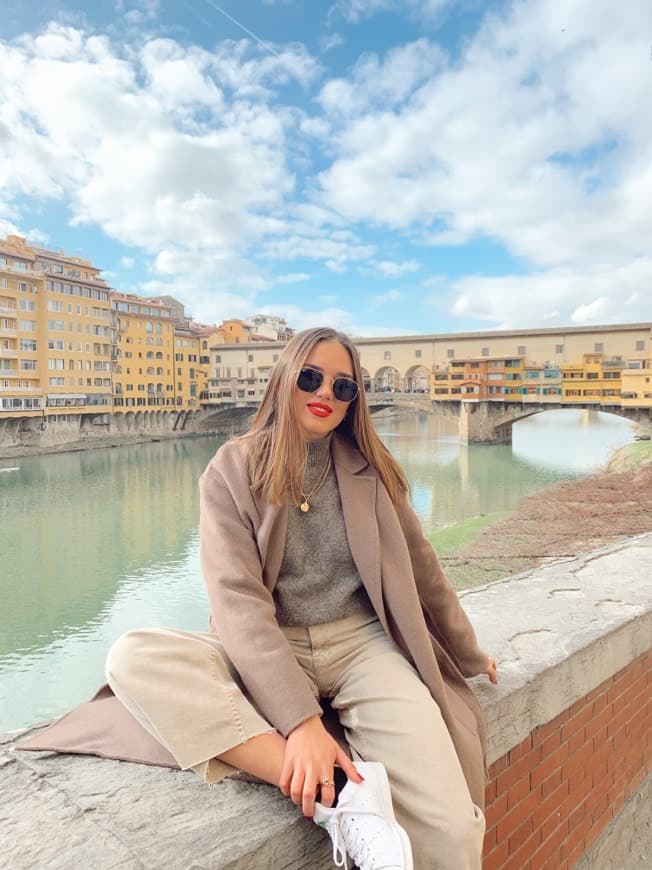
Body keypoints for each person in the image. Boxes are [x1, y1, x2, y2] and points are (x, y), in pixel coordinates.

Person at [101, 327, 498, 869]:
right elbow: (236, 600)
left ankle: (341, 788)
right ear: (285, 379)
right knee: (133, 657)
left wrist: (469, 653)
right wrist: (301, 723)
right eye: (311, 377)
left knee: (452, 831)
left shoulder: (372, 471)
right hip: (268, 648)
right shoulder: (232, 468)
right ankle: (344, 795)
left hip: (364, 647)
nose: (325, 394)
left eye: (343, 387)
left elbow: (424, 571)